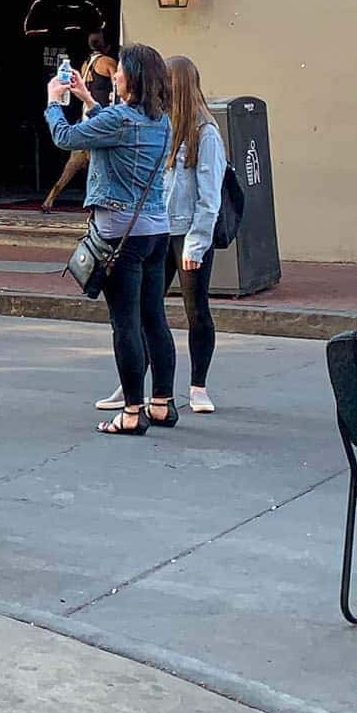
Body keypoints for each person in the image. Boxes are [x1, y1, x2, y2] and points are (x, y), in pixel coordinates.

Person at [45, 44, 174, 434]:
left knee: (125, 325)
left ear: (132, 79)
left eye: (119, 72)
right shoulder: (160, 121)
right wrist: (88, 99)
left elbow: (66, 138)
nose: (113, 76)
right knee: (155, 319)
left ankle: (132, 413)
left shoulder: (119, 119)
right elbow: (118, 134)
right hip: (156, 231)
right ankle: (162, 405)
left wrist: (55, 102)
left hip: (120, 234)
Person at [162, 55, 227, 415]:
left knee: (196, 310)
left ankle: (198, 386)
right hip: (160, 228)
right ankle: (135, 380)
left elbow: (210, 195)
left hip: (187, 231)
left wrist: (197, 243)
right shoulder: (164, 125)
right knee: (147, 309)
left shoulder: (205, 133)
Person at [39, 51, 116, 210]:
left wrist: (53, 101)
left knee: (71, 168)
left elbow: (63, 138)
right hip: (103, 125)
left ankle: (50, 199)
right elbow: (115, 90)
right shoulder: (109, 62)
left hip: (87, 120)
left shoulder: (85, 66)